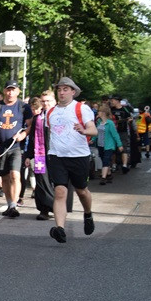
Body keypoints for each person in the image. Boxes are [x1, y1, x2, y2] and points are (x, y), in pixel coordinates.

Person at [44, 78, 97, 243]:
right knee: (60, 191)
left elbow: (93, 130)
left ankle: (88, 214)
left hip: (78, 156)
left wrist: (83, 130)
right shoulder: (50, 112)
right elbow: (51, 133)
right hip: (57, 157)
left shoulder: (82, 108)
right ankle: (60, 229)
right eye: (59, 89)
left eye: (65, 89)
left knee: (82, 191)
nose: (62, 92)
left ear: (73, 92)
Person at [0, 81, 31, 217]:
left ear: (18, 91)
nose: (10, 93)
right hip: (0, 148)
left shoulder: (24, 107)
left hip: (16, 147)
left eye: (13, 90)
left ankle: (14, 204)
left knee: (15, 175)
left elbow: (30, 125)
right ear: (4, 91)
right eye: (8, 90)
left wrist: (23, 134)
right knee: (5, 177)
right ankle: (9, 204)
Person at [24, 91, 56, 220]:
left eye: (48, 101)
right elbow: (32, 138)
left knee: (55, 182)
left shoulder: (59, 116)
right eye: (43, 101)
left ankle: (56, 206)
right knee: (41, 182)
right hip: (40, 155)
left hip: (56, 155)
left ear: (54, 101)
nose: (45, 103)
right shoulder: (38, 118)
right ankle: (44, 209)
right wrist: (28, 155)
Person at [95, 106, 123, 185]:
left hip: (109, 145)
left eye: (99, 111)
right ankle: (109, 175)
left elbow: (115, 134)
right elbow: (96, 133)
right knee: (103, 159)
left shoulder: (110, 123)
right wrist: (92, 140)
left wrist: (119, 144)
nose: (98, 113)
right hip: (100, 144)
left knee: (106, 160)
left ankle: (103, 178)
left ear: (103, 113)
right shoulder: (98, 122)